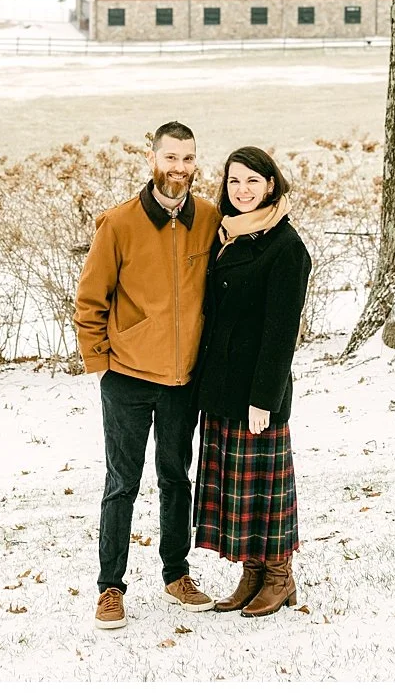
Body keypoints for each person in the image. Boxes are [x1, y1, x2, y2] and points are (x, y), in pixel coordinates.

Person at [73, 121, 221, 631]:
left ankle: (176, 574)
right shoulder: (118, 223)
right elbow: (89, 302)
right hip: (128, 378)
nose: (179, 168)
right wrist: (101, 364)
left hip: (183, 379)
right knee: (122, 484)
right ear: (152, 158)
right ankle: (110, 588)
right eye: (170, 157)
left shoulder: (209, 218)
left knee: (177, 479)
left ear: (195, 162)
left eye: (187, 158)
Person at [189, 145, 312, 618]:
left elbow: (280, 333)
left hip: (257, 394)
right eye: (234, 181)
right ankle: (252, 573)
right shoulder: (228, 235)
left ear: (271, 186)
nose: (242, 191)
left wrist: (264, 397)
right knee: (238, 490)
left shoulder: (285, 247)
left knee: (263, 487)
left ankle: (279, 575)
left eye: (253, 182)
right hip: (221, 387)